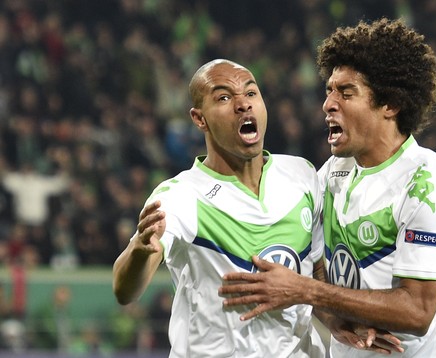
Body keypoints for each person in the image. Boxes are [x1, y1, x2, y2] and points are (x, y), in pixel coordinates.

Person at [219, 18, 436, 357]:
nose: (328, 104)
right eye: (329, 91)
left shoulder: (426, 185)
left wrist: (306, 292)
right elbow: (317, 265)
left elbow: (417, 311)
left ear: (390, 104)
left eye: (346, 93)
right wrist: (331, 315)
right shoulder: (333, 173)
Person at [112, 59, 328, 357]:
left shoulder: (302, 175)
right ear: (199, 119)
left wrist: (349, 324)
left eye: (251, 93)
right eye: (224, 98)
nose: (243, 104)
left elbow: (319, 276)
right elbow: (125, 291)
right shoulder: (181, 195)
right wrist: (140, 250)